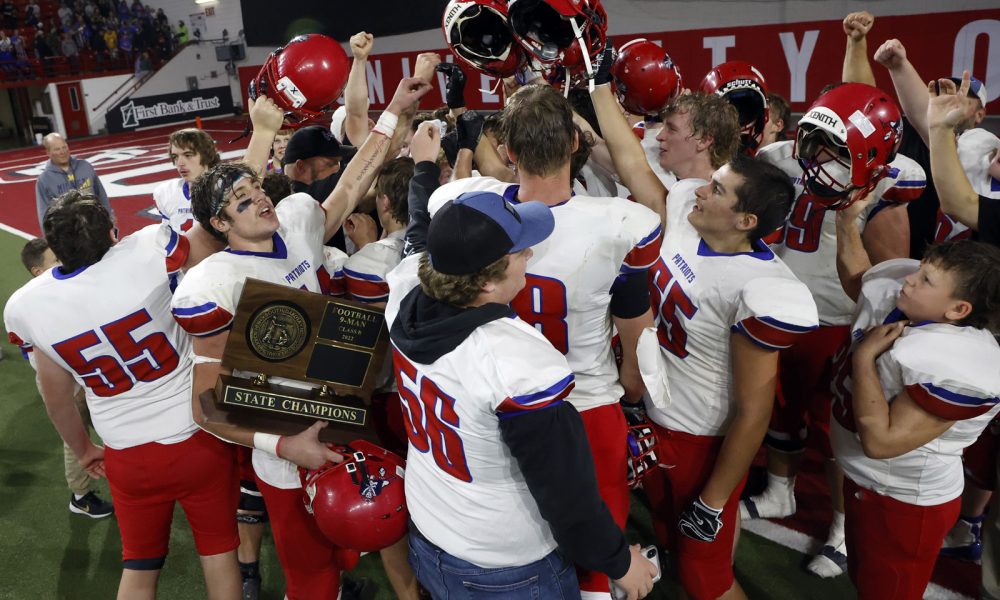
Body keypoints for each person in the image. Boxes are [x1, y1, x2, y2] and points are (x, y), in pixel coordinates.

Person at [172, 78, 430, 600]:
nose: (260, 200)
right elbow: (205, 408)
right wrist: (285, 444)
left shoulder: (295, 224)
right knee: (310, 575)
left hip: (340, 411)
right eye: (242, 202)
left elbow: (352, 184)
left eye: (256, 188)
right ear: (220, 223)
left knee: (356, 542)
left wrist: (394, 113)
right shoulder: (216, 282)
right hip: (286, 446)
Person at [590, 63, 819, 599]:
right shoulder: (684, 208)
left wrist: (716, 501)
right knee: (674, 545)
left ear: (745, 221)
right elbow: (629, 162)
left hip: (701, 441)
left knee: (704, 578)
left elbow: (754, 412)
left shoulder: (758, 286)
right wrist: (598, 86)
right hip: (660, 420)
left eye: (717, 190)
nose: (700, 191)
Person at [426, 83, 663, 599]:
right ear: (575, 145)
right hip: (586, 403)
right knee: (598, 559)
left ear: (509, 152)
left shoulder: (463, 203)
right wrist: (632, 394)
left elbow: (463, 192)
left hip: (494, 404)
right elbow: (635, 328)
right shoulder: (620, 224)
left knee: (529, 531)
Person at [386, 184, 659, 600]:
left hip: (429, 528)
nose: (530, 255)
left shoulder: (404, 294)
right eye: (520, 252)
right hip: (502, 561)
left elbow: (417, 242)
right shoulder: (514, 360)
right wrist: (621, 563)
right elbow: (566, 497)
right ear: (486, 284)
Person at [4, 191, 237, 600]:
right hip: (197, 433)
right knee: (218, 552)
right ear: (112, 231)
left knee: (140, 564)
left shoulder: (27, 305)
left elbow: (56, 398)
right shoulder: (147, 247)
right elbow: (205, 247)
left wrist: (83, 449)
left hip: (126, 452)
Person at [830, 200, 1000, 598]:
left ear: (958, 309)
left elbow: (881, 442)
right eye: (921, 269)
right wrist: (846, 222)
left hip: (905, 500)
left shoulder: (956, 363)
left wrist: (863, 358)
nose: (910, 280)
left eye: (926, 280)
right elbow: (861, 281)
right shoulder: (912, 304)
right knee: (866, 582)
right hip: (869, 486)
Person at [18, 238, 114, 519]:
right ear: (38, 271)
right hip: (65, 382)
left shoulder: (61, 291)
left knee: (110, 427)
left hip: (84, 377)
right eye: (54, 261)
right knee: (76, 439)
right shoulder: (28, 306)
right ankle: (81, 497)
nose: (62, 264)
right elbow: (35, 358)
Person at [35, 132, 112, 230]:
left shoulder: (85, 166)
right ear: (48, 152)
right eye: (57, 149)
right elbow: (44, 214)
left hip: (96, 228)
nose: (62, 152)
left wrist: (110, 221)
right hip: (68, 233)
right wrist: (49, 240)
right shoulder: (44, 180)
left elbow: (101, 195)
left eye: (64, 147)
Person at [153, 128, 221, 233]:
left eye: (188, 155)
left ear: (207, 155)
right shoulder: (166, 192)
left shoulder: (226, 188)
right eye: (175, 156)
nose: (180, 163)